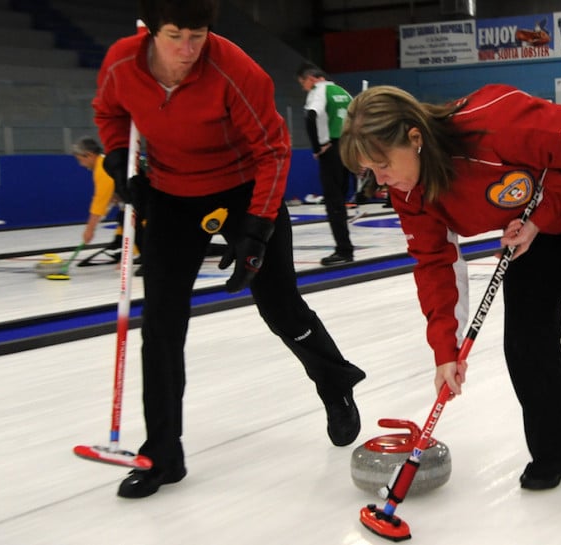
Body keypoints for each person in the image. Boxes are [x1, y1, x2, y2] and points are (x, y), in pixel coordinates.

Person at [340, 85, 561, 491]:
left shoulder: (497, 121)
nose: (382, 182)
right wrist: (445, 351)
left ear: (414, 138)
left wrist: (541, 217)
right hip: (541, 220)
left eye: (382, 166)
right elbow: (436, 263)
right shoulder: (408, 191)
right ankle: (557, 451)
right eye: (371, 172)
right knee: (526, 335)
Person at [92, 0, 365, 499]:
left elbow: (274, 151)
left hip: (243, 190)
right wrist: (116, 161)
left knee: (279, 303)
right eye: (175, 35)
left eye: (198, 35)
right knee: (162, 324)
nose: (187, 49)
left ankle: (335, 380)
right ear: (152, 31)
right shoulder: (119, 64)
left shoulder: (235, 70)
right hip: (171, 195)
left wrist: (257, 229)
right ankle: (162, 454)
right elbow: (109, 113)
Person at [296, 62, 356, 266]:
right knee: (341, 200)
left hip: (331, 149)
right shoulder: (342, 91)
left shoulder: (318, 90)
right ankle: (345, 247)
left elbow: (311, 115)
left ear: (311, 79)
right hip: (348, 148)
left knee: (334, 202)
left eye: (302, 82)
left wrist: (316, 147)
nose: (303, 87)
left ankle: (344, 250)